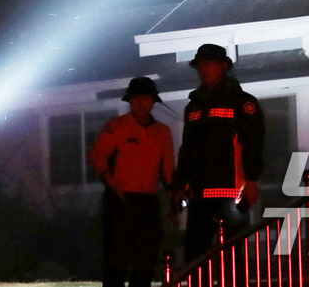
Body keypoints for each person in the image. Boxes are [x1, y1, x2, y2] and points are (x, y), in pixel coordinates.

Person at [171, 43, 265, 263]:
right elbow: (187, 150)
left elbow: (253, 143)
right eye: (200, 65)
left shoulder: (242, 103)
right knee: (194, 257)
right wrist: (179, 186)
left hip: (232, 193)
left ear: (224, 66)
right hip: (199, 194)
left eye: (209, 64)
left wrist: (251, 181)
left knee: (233, 260)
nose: (204, 69)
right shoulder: (193, 106)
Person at [88, 76, 176, 287]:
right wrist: (109, 179)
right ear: (129, 101)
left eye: (146, 100)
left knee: (145, 264)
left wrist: (174, 201)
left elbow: (168, 171)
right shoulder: (116, 126)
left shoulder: (162, 132)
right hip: (120, 201)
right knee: (115, 263)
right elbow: (97, 155)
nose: (141, 104)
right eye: (136, 99)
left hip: (148, 203)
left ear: (153, 102)